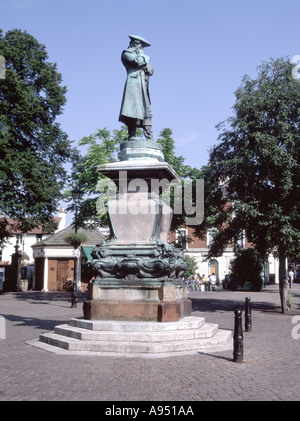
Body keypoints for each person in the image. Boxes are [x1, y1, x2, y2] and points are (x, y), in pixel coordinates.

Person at [119, 34, 154, 141]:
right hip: (133, 85)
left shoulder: (140, 55)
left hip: (143, 86)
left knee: (147, 111)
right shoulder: (127, 53)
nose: (141, 47)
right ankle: (132, 135)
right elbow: (138, 62)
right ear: (135, 43)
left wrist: (144, 61)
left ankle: (149, 137)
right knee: (132, 110)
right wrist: (141, 55)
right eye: (140, 45)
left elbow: (151, 70)